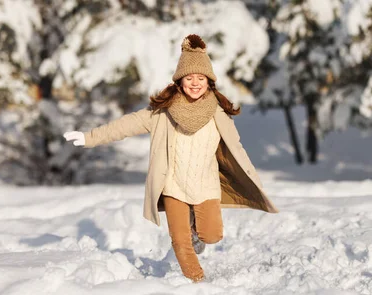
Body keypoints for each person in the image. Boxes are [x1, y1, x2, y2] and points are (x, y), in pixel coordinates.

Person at [63, 34, 278, 283]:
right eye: (189, 78)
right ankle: (199, 283)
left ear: (209, 82)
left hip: (206, 186)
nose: (195, 83)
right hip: (173, 186)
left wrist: (252, 177)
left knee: (212, 235)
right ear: (180, 81)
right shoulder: (162, 112)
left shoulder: (218, 113)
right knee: (180, 241)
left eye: (200, 78)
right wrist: (90, 137)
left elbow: (237, 148)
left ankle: (197, 231)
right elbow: (125, 125)